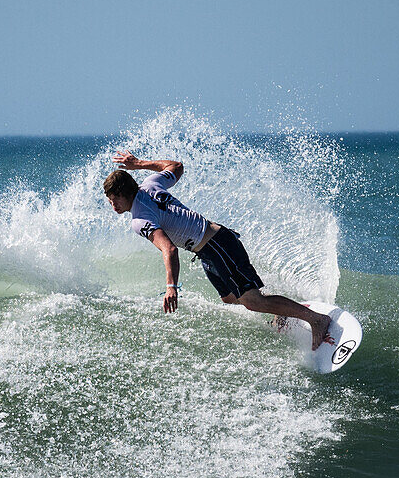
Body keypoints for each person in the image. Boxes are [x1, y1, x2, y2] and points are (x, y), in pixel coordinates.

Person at [103, 150, 332, 350]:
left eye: (115, 200)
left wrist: (171, 287)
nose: (113, 206)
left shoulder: (140, 219)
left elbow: (169, 250)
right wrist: (140, 164)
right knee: (230, 298)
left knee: (251, 302)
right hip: (208, 249)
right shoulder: (151, 183)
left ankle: (315, 319)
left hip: (216, 244)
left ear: (127, 193)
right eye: (110, 201)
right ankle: (277, 306)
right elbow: (176, 166)